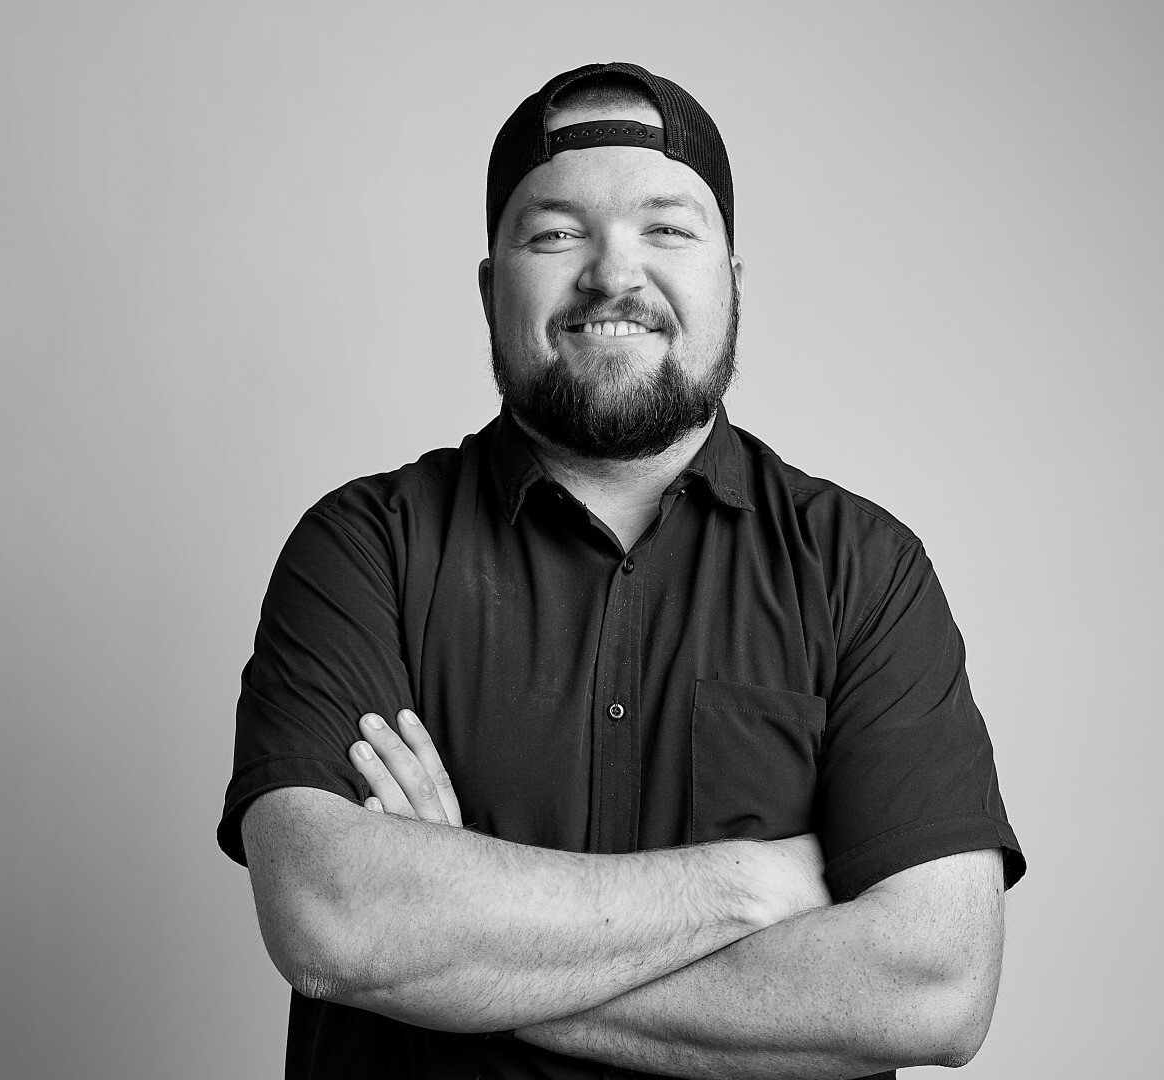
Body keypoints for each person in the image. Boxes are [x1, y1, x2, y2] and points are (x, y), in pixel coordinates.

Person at [218, 61, 1025, 1080]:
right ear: (489, 286)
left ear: (731, 281)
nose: (613, 274)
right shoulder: (364, 549)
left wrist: (460, 947)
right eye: (555, 234)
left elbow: (936, 986)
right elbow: (334, 919)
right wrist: (745, 885)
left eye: (667, 229)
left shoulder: (864, 572)